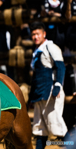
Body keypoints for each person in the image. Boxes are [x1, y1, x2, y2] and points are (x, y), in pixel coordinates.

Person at [29, 21, 67, 149]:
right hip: (39, 94)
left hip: (51, 93)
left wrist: (57, 86)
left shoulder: (50, 47)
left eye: (38, 34)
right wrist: (31, 97)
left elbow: (60, 67)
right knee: (39, 130)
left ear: (44, 34)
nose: (35, 37)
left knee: (57, 128)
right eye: (33, 34)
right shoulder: (36, 51)